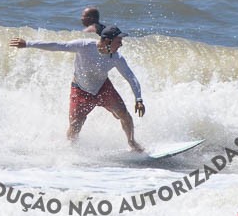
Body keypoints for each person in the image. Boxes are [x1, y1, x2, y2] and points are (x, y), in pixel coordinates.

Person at [9, 25, 145, 152]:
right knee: (75, 125)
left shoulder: (116, 57)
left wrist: (138, 99)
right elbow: (58, 45)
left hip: (103, 88)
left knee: (124, 114)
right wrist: (28, 43)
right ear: (107, 41)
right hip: (80, 90)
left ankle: (132, 142)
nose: (121, 44)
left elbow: (131, 77)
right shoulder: (84, 46)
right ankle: (71, 150)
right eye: (118, 41)